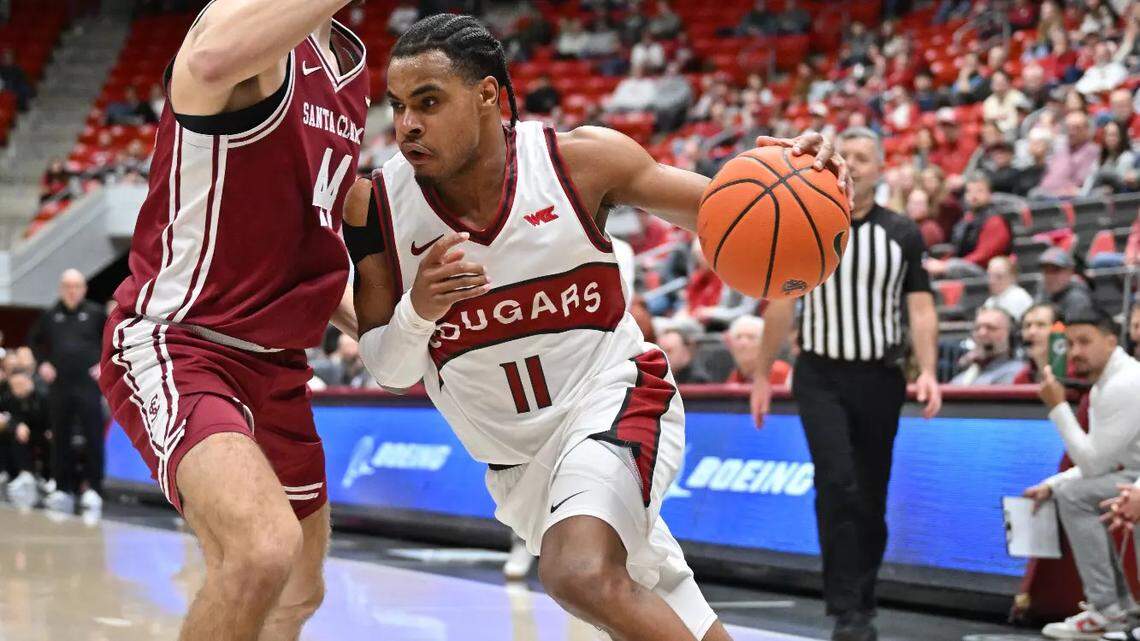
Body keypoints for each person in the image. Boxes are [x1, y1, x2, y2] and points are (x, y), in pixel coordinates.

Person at [345, 14, 850, 641]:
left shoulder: (580, 162)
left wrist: (806, 175)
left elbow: (738, 209)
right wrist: (420, 308)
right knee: (665, 606)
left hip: (614, 399)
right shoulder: (377, 206)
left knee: (578, 574)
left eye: (428, 102)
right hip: (518, 468)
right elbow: (391, 373)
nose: (408, 124)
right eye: (397, 106)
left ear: (487, 98)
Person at [97, 2, 367, 639]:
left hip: (278, 363)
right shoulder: (247, 32)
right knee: (261, 548)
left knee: (300, 588)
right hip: (183, 340)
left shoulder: (350, 64)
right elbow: (210, 60)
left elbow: (302, 244)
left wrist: (396, 334)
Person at [752, 127, 941, 641]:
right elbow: (782, 302)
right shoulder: (807, 223)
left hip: (880, 376)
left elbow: (920, 309)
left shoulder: (902, 232)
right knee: (838, 482)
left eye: (863, 157)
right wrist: (761, 375)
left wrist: (928, 371)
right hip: (819, 375)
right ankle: (845, 609)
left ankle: (863, 596)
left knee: (871, 494)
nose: (853, 164)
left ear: (880, 168)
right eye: (847, 156)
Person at [1023, 307, 1140, 640]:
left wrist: (1058, 407)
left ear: (1111, 340)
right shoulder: (1106, 384)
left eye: (1085, 342)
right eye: (1071, 344)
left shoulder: (1126, 382)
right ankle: (1114, 611)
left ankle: (1110, 611)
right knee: (1071, 492)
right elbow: (1101, 464)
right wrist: (1051, 482)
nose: (1075, 353)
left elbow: (1092, 465)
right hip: (1134, 472)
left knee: (1079, 494)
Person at [27, 269, 106, 514]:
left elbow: (115, 338)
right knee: (60, 437)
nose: (72, 291)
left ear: (84, 289)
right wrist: (43, 363)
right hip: (60, 385)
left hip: (88, 385)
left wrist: (105, 364)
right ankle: (63, 487)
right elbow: (33, 340)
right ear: (61, 288)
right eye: (67, 286)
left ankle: (93, 488)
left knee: (93, 436)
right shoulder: (51, 315)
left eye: (77, 286)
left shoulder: (95, 313)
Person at [923, 173, 1012, 279]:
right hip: (964, 266)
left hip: (988, 273)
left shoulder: (995, 221)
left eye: (979, 191)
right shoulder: (965, 220)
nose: (974, 195)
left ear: (989, 194)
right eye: (970, 191)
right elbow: (956, 250)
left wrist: (947, 266)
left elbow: (983, 256)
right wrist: (941, 263)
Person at [0, 368, 49, 508]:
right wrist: (16, 426)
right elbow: (9, 416)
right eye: (14, 386)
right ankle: (22, 474)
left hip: (43, 432)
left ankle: (47, 478)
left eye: (20, 384)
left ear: (29, 381)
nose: (17, 389)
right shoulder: (10, 398)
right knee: (14, 435)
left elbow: (51, 419)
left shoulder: (43, 396)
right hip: (24, 433)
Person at [1033, 111, 1101, 199]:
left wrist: (1059, 192)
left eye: (1077, 128)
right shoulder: (1060, 146)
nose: (1071, 132)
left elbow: (1080, 184)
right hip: (1043, 194)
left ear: (1086, 130)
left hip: (1066, 200)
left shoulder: (1091, 150)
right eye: (1068, 128)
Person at [949, 307, 1025, 385]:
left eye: (991, 328)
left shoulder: (1017, 372)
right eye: (977, 328)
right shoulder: (963, 376)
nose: (982, 333)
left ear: (1010, 335)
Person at [724, 315, 790, 386]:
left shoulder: (781, 373)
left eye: (751, 337)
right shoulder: (736, 376)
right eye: (738, 337)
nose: (743, 343)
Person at [1039, 247, 1095, 322]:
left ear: (1070, 271)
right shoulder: (1043, 291)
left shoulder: (1077, 298)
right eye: (1046, 271)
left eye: (1055, 270)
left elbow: (1071, 331)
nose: (1050, 276)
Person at [1013, 303, 1060, 383]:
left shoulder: (1075, 372)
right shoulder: (1021, 378)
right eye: (1027, 326)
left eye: (1041, 325)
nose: (1031, 332)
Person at [983, 256, 1034, 320]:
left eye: (999, 276)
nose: (992, 281)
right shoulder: (990, 301)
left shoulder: (1018, 297)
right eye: (989, 276)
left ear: (1012, 277)